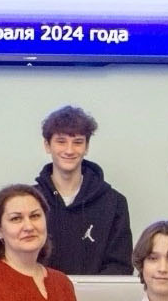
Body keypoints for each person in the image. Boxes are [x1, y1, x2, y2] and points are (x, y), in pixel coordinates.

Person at [31, 105, 133, 275]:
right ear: (47, 145)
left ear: (86, 147)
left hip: (98, 293)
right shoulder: (29, 202)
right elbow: (18, 261)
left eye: (78, 142)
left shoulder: (114, 202)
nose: (69, 150)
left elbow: (120, 266)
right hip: (41, 291)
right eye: (61, 141)